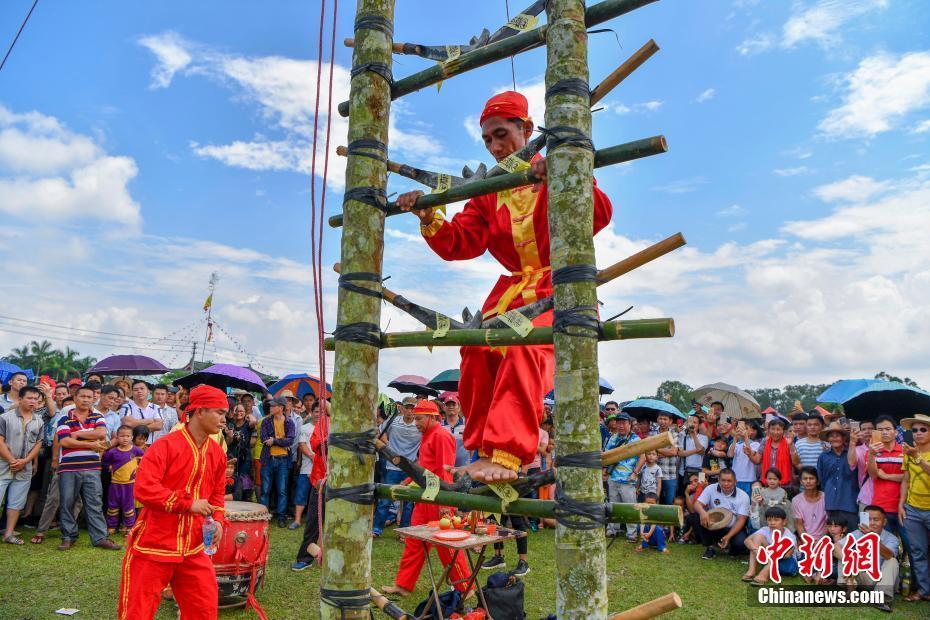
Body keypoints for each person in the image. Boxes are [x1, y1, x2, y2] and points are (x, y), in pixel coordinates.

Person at [399, 90, 613, 483]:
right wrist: (429, 215)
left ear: (527, 129)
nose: (496, 147)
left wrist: (566, 175)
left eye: (502, 135)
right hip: (512, 292)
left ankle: (510, 453)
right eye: (487, 141)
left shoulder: (556, 164)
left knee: (523, 347)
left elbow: (597, 215)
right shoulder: (489, 188)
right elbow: (461, 241)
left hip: (558, 288)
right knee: (475, 349)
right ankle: (484, 451)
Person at [118, 384, 228, 620]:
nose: (223, 419)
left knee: (204, 609)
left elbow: (217, 495)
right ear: (199, 411)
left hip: (194, 546)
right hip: (154, 543)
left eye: (224, 414)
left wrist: (217, 520)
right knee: (137, 612)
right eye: (219, 412)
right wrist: (187, 503)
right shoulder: (165, 445)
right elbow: (143, 489)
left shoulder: (217, 453)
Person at [382, 400, 472, 597]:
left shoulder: (441, 436)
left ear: (432, 418)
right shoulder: (428, 435)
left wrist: (444, 504)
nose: (415, 423)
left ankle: (466, 588)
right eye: (414, 419)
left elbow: (445, 472)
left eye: (419, 419)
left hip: (438, 500)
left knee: (447, 547)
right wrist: (406, 482)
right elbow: (424, 467)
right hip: (425, 500)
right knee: (414, 542)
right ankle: (403, 585)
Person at [55, 385, 120, 551]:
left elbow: (100, 433)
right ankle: (68, 537)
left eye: (89, 397)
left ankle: (99, 538)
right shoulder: (64, 418)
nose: (85, 399)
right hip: (68, 467)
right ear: (75, 398)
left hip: (92, 467)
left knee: (94, 502)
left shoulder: (97, 416)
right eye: (82, 396)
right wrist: (91, 444)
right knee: (67, 503)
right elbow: (64, 441)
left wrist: (76, 434)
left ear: (94, 399)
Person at [0, 385, 45, 544]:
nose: (33, 401)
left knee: (16, 502)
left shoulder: (38, 421)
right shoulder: (5, 417)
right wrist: (13, 461)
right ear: (20, 399)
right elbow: (0, 442)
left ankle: (9, 534)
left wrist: (26, 461)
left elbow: (38, 444)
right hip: (3, 465)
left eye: (36, 399)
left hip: (24, 467)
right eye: (29, 398)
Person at [372, 396, 421, 537]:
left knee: (408, 501)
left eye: (413, 408)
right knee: (386, 498)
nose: (410, 411)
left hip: (410, 467)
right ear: (402, 408)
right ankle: (376, 529)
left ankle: (404, 532)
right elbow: (380, 431)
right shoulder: (393, 420)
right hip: (392, 466)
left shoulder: (418, 424)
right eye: (407, 407)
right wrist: (388, 447)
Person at [292, 400, 330, 571]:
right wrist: (334, 440)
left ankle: (333, 557)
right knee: (314, 521)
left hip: (343, 482)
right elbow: (315, 445)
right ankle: (305, 557)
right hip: (321, 480)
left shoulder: (349, 424)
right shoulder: (323, 424)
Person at [898, 413, 930, 602]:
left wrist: (917, 457)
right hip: (913, 509)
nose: (917, 433)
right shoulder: (909, 453)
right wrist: (901, 505)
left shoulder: (913, 454)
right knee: (918, 552)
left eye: (923, 430)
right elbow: (906, 480)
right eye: (914, 430)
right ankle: (924, 591)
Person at [844, 505, 899, 612]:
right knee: (846, 551)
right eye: (868, 519)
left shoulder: (891, 538)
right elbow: (836, 548)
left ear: (884, 522)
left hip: (884, 579)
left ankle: (881, 598)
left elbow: (889, 555)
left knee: (892, 561)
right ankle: (848, 591)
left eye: (876, 520)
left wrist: (871, 536)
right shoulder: (857, 533)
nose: (872, 523)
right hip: (864, 578)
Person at [694, 468, 750, 560]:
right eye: (723, 480)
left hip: (733, 528)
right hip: (714, 526)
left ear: (735, 481)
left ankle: (732, 547)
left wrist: (728, 536)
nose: (726, 483)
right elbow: (697, 504)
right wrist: (702, 512)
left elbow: (741, 520)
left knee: (740, 543)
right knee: (698, 516)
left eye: (729, 481)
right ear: (718, 480)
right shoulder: (711, 488)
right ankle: (710, 547)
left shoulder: (743, 496)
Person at [604, 412, 641, 541]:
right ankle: (612, 530)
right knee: (613, 505)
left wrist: (635, 472)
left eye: (624, 423)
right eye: (618, 423)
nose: (621, 426)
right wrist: (606, 471)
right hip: (613, 477)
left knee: (630, 507)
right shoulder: (613, 438)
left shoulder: (636, 439)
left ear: (630, 424)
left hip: (628, 479)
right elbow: (606, 455)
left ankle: (632, 534)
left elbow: (643, 456)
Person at [101, 425, 145, 534]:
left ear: (132, 437)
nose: (125, 438)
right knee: (112, 505)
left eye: (127, 436)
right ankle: (111, 526)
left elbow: (145, 462)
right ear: (117, 437)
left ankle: (129, 526)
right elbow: (105, 463)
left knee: (129, 506)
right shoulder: (112, 452)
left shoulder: (137, 451)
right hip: (115, 484)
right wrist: (110, 467)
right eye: (122, 436)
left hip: (130, 485)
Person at [259, 397, 295, 528]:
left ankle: (281, 517)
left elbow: (290, 440)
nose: (271, 407)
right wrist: (281, 441)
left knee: (282, 490)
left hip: (283, 461)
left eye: (273, 406)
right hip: (268, 459)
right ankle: (263, 516)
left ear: (281, 408)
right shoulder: (266, 421)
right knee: (265, 490)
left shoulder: (289, 422)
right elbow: (263, 439)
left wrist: (274, 441)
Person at [817, 422, 858, 531]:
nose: (834, 438)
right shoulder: (823, 456)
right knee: (834, 534)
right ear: (828, 439)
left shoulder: (852, 452)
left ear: (844, 437)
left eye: (837, 435)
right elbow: (822, 479)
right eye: (831, 436)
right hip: (831, 501)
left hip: (850, 500)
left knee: (851, 535)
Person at [742, 506, 799, 586]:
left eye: (776, 520)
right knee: (757, 537)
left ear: (784, 522)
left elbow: (787, 555)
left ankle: (763, 575)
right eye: (769, 520)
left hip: (787, 563)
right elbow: (747, 541)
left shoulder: (789, 536)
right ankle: (751, 570)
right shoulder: (765, 529)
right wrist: (757, 551)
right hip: (770, 558)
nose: (772, 523)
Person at [291, 403, 320, 529]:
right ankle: (297, 520)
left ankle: (318, 522)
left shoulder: (327, 428)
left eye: (321, 412)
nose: (318, 414)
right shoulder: (305, 428)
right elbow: (301, 445)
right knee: (301, 493)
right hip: (307, 468)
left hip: (321, 470)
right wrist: (313, 456)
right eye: (316, 411)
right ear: (312, 413)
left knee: (320, 496)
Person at [751, 416, 798, 488]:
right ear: (768, 430)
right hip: (767, 483)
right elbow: (757, 460)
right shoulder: (765, 442)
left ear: (783, 431)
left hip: (785, 485)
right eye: (773, 429)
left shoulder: (788, 442)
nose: (775, 432)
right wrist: (749, 454)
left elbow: (795, 462)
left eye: (778, 429)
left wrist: (791, 445)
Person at [750, 468, 793, 532]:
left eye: (775, 479)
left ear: (779, 480)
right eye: (770, 479)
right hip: (765, 517)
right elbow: (758, 505)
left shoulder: (783, 492)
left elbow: (784, 506)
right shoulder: (762, 492)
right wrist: (758, 501)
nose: (772, 481)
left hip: (778, 517)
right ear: (766, 480)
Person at [120, 381, 163, 445]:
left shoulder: (156, 407)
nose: (139, 391)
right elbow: (127, 423)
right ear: (132, 393)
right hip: (130, 446)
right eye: (135, 390)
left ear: (148, 391)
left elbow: (159, 425)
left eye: (142, 389)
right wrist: (150, 420)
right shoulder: (126, 407)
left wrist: (136, 427)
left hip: (150, 445)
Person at [654, 413, 682, 506]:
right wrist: (666, 452)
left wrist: (656, 449)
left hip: (669, 474)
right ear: (657, 420)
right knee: (654, 501)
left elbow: (673, 452)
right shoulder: (652, 433)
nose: (662, 421)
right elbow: (648, 452)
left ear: (670, 421)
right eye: (660, 418)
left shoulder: (675, 434)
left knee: (670, 502)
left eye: (665, 419)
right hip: (654, 474)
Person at [792, 466, 827, 539]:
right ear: (801, 482)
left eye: (811, 478)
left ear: (817, 481)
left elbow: (827, 523)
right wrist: (807, 542)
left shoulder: (826, 498)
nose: (808, 481)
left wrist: (821, 541)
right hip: (806, 540)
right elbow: (799, 525)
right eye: (805, 479)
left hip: (824, 539)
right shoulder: (796, 500)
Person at [729, 419, 760, 496]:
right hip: (735, 479)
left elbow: (751, 453)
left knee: (748, 501)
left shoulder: (755, 444)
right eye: (739, 428)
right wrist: (735, 438)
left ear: (752, 431)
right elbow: (730, 455)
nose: (743, 431)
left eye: (746, 428)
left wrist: (746, 437)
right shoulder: (735, 444)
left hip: (749, 479)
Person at [849, 419, 876, 509]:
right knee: (865, 523)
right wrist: (852, 443)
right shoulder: (858, 449)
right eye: (863, 429)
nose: (867, 431)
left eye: (870, 428)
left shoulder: (884, 448)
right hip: (866, 496)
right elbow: (852, 464)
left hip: (885, 496)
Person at [441, 394, 469, 468]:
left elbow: (471, 447)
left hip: (464, 468)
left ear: (459, 407)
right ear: (444, 407)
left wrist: (471, 462)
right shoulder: (439, 426)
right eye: (448, 404)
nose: (451, 407)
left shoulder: (467, 424)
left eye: (453, 404)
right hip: (445, 468)